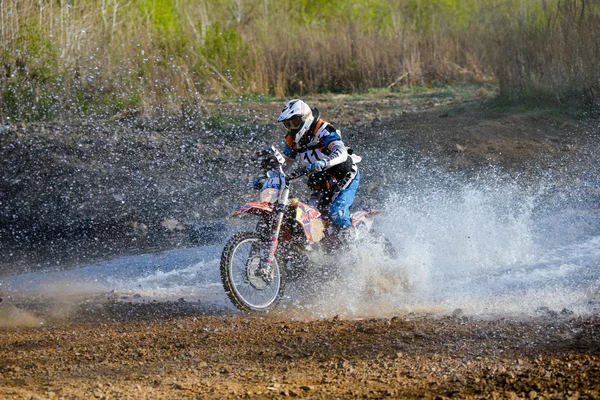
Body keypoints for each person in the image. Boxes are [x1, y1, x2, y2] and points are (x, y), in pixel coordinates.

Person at [277, 99, 361, 244]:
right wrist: (269, 174)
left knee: (337, 212)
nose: (291, 128)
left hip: (344, 174)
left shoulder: (323, 129)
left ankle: (353, 251)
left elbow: (341, 152)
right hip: (322, 181)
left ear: (306, 118)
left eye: (294, 122)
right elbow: (285, 162)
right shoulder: (292, 139)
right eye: (287, 124)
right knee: (308, 217)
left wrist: (324, 162)